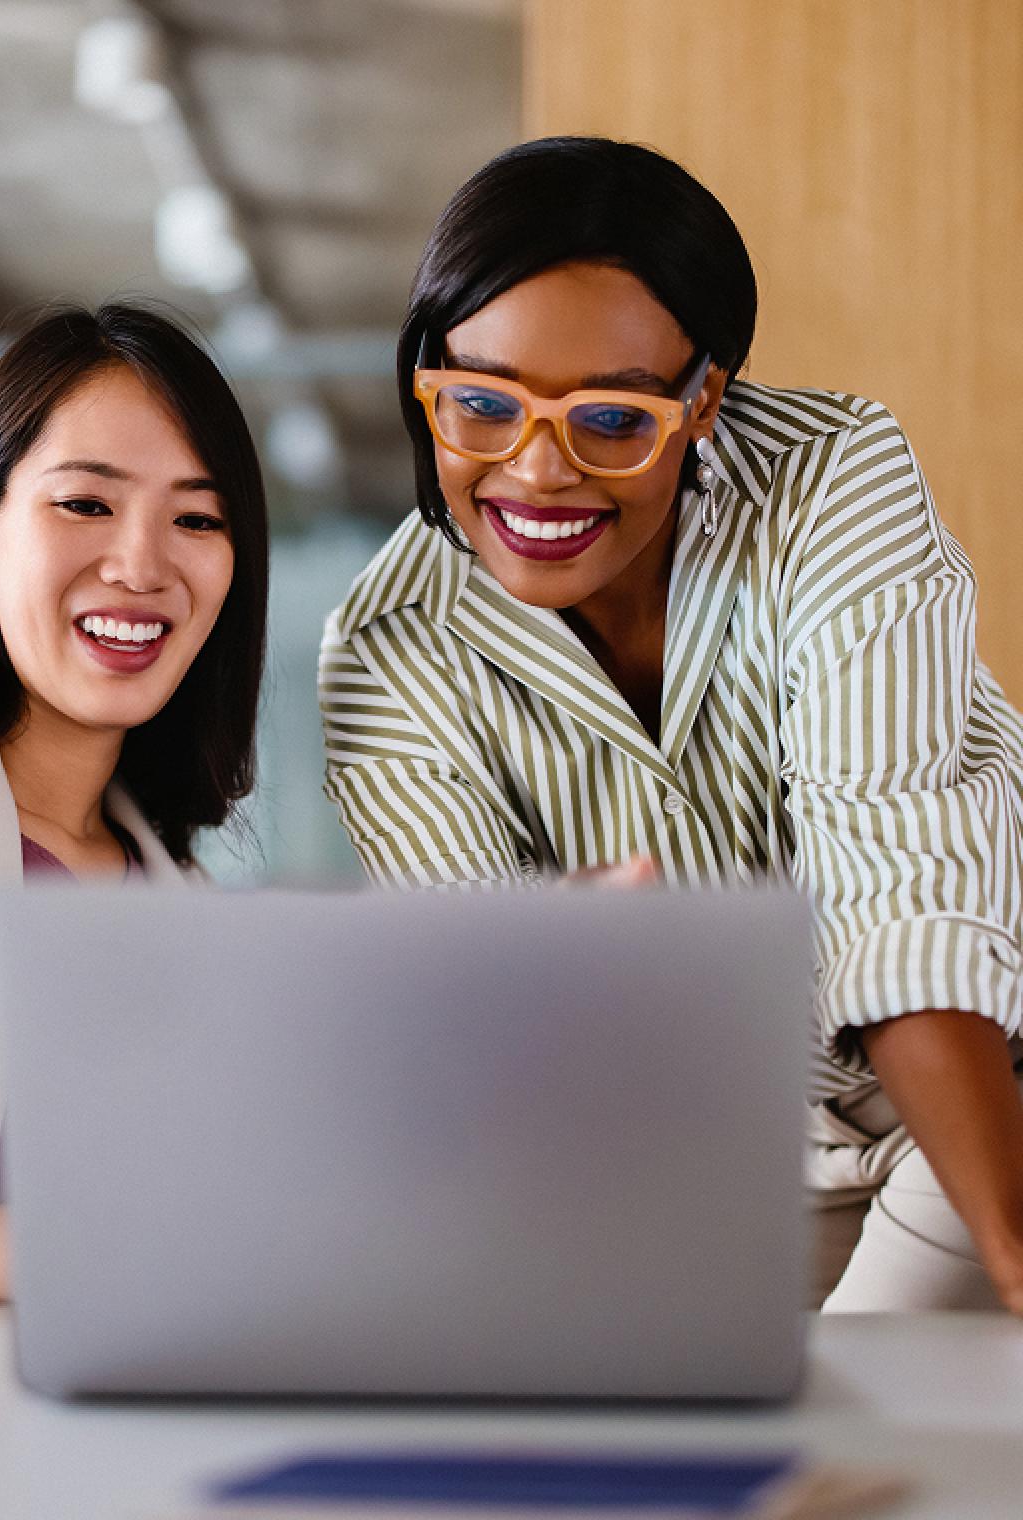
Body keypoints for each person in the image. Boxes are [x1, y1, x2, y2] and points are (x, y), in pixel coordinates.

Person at [318, 137, 1023, 1314]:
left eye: (609, 420)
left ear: (704, 399)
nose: (535, 475)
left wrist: (1013, 1253)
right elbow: (496, 1020)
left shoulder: (831, 482)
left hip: (968, 1098)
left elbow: (900, 885)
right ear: (424, 382)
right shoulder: (391, 651)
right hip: (716, 1156)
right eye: (481, 405)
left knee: (895, 1442)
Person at [0, 303, 268, 1303]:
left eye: (198, 518)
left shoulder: (185, 898)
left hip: (122, 1445)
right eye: (87, 504)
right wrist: (79, 1249)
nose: (142, 564)